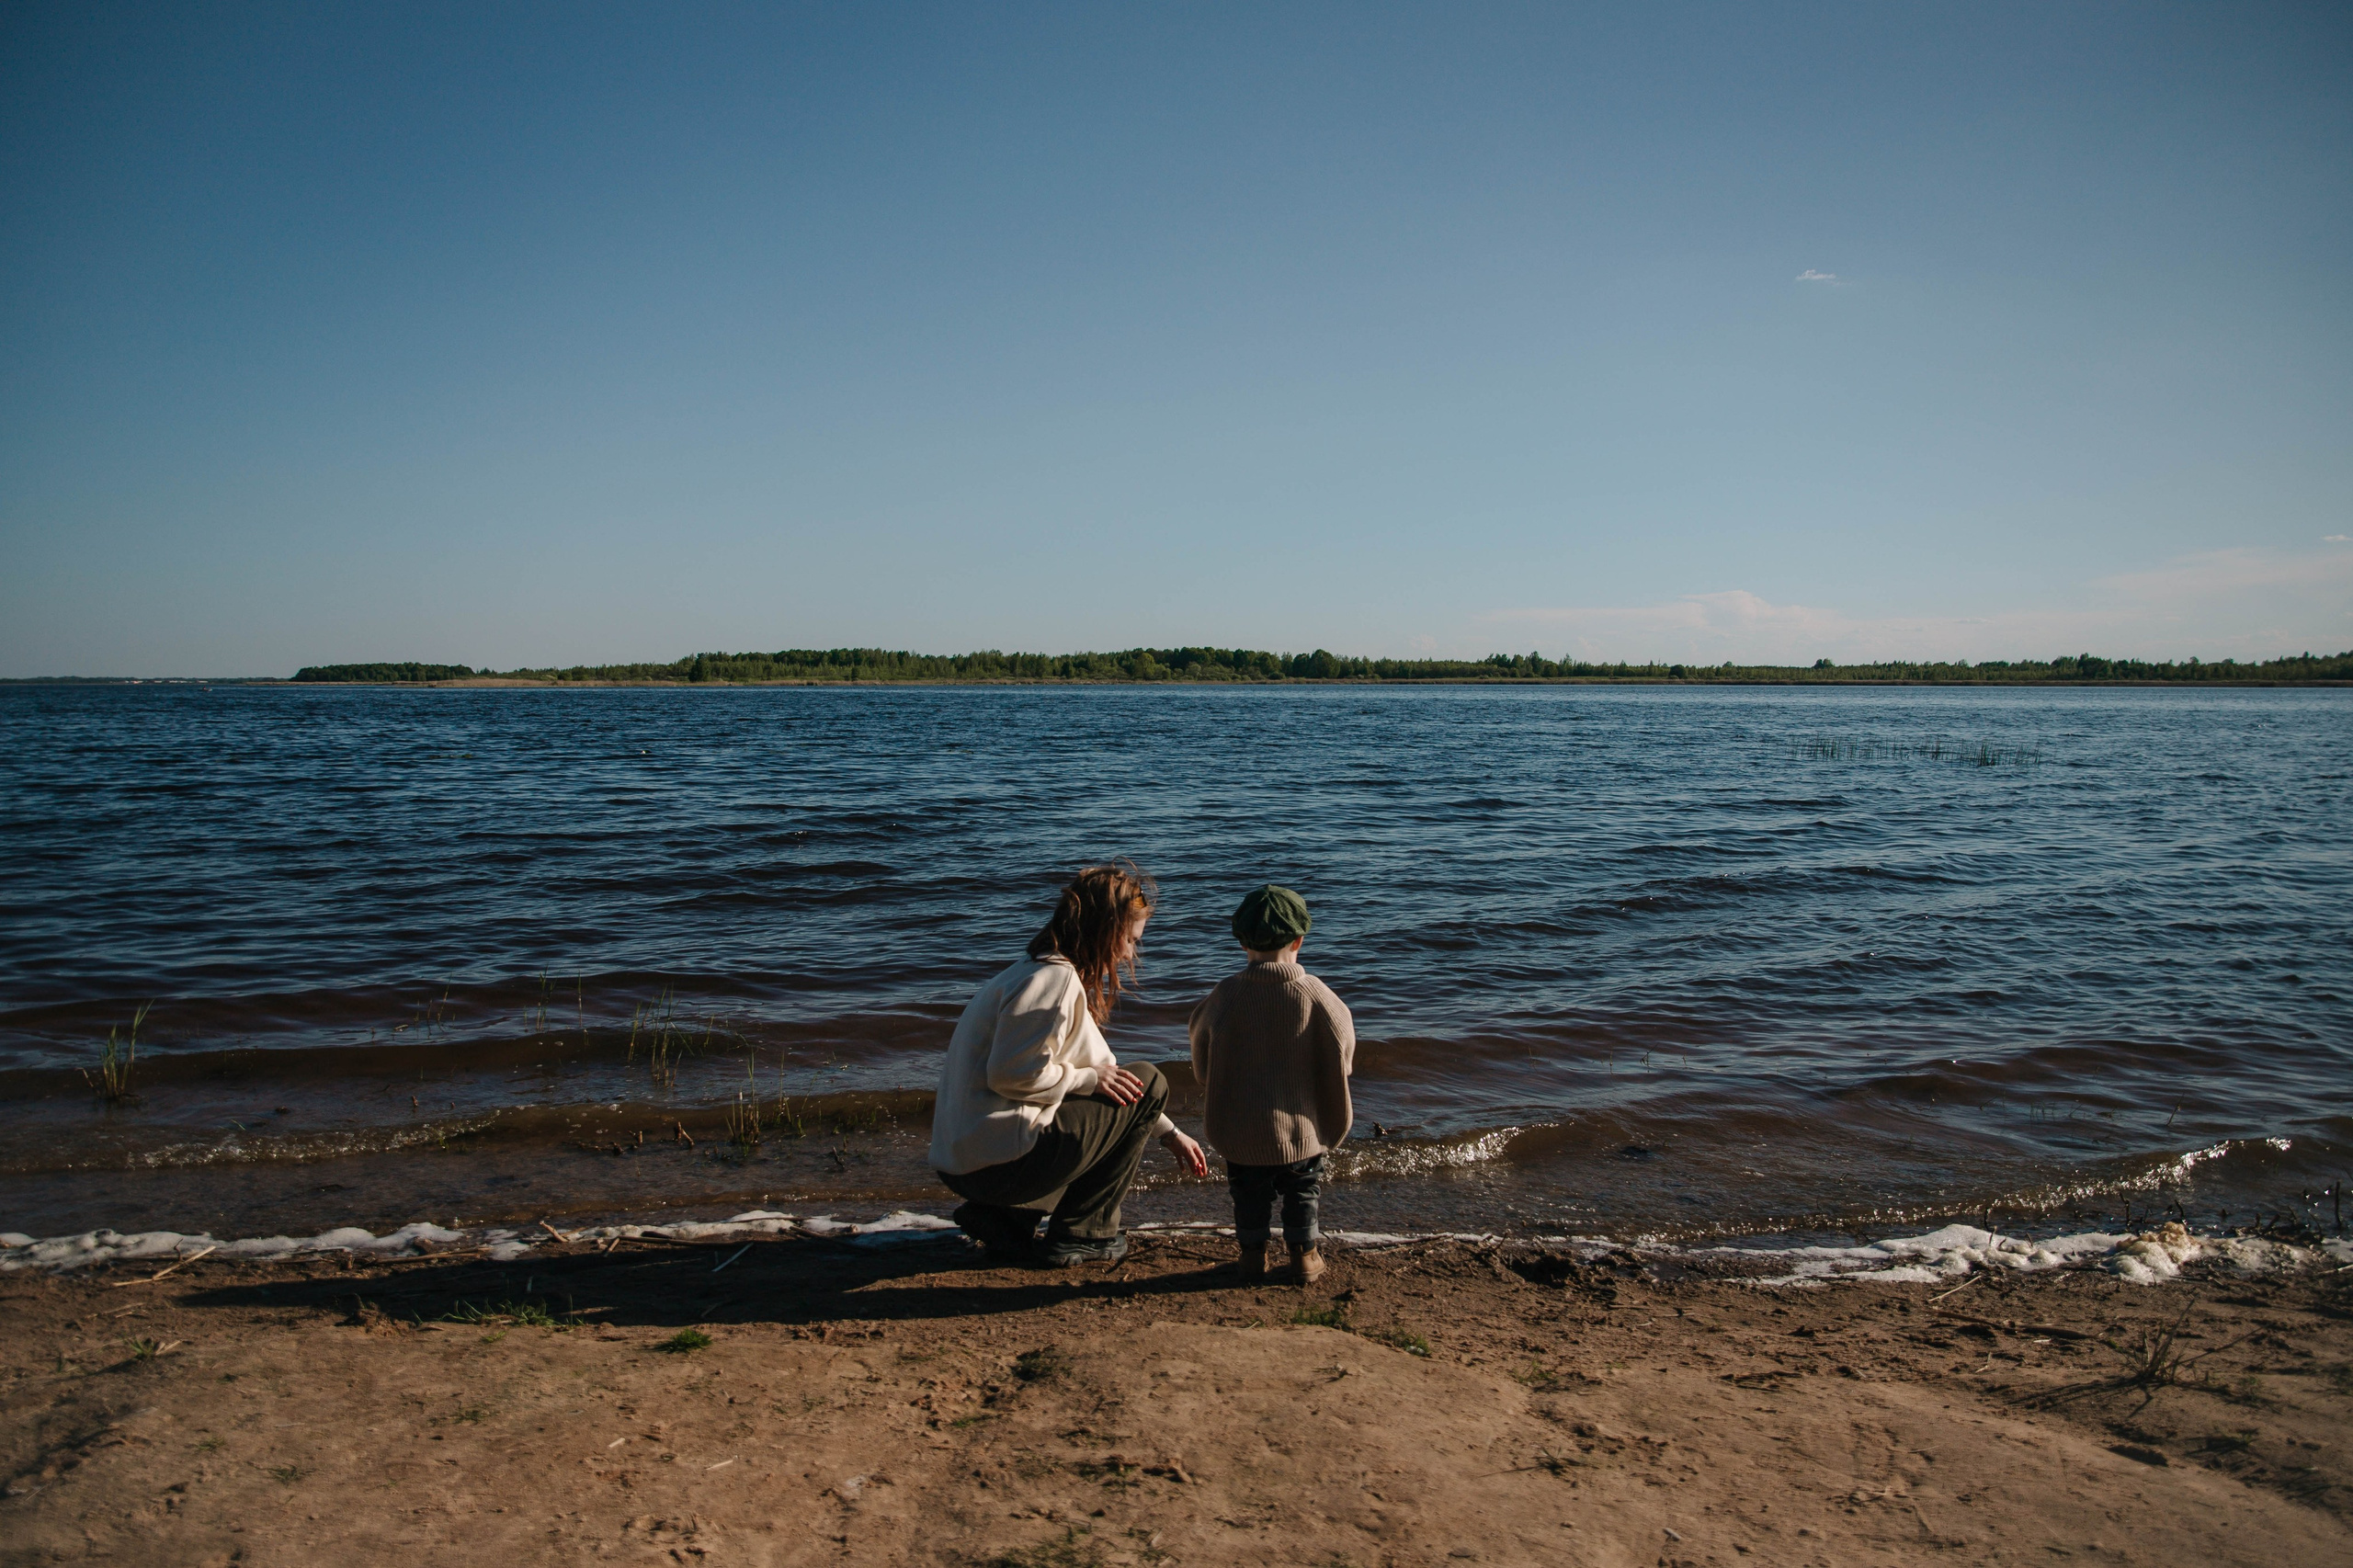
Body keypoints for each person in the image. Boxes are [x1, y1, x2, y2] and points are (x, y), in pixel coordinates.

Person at [931, 864, 1209, 1266]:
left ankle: (1005, 1219)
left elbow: (1105, 1074)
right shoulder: (1053, 980)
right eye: (1130, 940)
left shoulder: (1034, 971)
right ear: (1107, 930)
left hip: (971, 1161)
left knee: (1105, 1091)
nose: (1130, 954)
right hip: (991, 1169)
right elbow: (1011, 1075)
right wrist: (1086, 1080)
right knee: (1151, 1080)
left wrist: (1170, 1133)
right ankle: (1085, 1234)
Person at [1188, 883, 1355, 1284]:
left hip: (1242, 1129)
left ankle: (1251, 1256)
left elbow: (1201, 1056)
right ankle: (1304, 1256)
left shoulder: (1225, 996)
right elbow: (1343, 1054)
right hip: (1302, 1129)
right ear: (1299, 940)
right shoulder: (1317, 994)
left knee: (1247, 1193)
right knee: (1303, 1190)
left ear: (1242, 942)